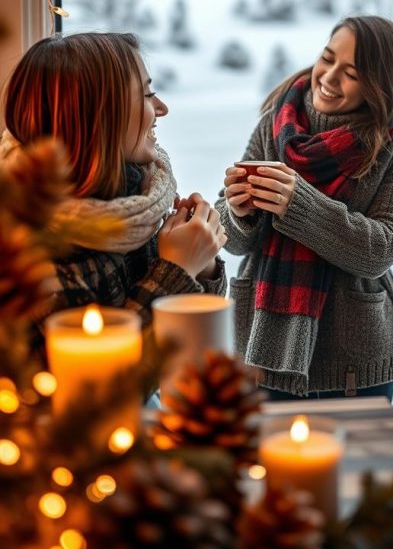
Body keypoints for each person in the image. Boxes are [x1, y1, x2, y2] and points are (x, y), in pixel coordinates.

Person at [217, 15, 393, 400]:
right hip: (259, 343)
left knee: (353, 462)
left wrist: (299, 205)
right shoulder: (277, 124)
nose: (328, 78)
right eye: (327, 58)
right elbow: (233, 241)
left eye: (352, 73)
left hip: (351, 360)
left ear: (379, 85)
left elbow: (382, 248)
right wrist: (238, 210)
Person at [0, 32, 227, 327]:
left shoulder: (136, 202)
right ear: (101, 117)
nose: (162, 108)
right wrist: (176, 271)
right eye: (147, 95)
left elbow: (197, 336)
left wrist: (202, 260)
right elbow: (106, 370)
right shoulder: (38, 262)